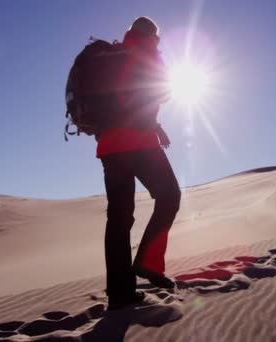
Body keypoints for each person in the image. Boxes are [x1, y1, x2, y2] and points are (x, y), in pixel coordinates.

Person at [97, 17, 181, 310]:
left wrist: (155, 125)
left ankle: (120, 294)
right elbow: (162, 91)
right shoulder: (147, 50)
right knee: (170, 196)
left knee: (118, 219)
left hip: (109, 147)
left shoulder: (113, 55)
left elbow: (124, 97)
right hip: (139, 143)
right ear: (152, 35)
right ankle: (147, 262)